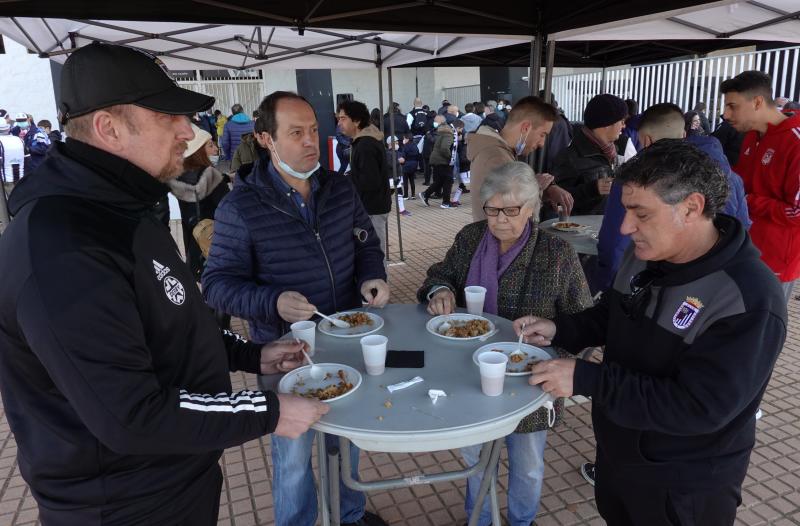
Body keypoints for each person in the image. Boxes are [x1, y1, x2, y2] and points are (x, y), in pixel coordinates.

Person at [0, 42, 329, 526]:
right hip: (121, 505)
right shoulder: (63, 247)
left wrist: (247, 354)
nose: (187, 131)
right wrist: (268, 410)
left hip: (175, 478)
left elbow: (171, 322)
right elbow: (132, 415)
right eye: (166, 116)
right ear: (108, 128)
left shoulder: (124, 209)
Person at [518, 139, 787, 526]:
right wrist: (562, 328)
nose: (626, 228)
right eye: (624, 211)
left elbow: (700, 407)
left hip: (684, 485)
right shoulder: (646, 254)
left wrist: (585, 378)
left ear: (692, 207)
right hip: (620, 456)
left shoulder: (748, 297)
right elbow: (613, 312)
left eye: (640, 213)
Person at [202, 90, 389, 526]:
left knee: (345, 439)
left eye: (313, 130)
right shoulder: (241, 206)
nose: (310, 141)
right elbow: (216, 286)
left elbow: (366, 242)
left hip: (345, 340)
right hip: (283, 349)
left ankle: (350, 513)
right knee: (292, 453)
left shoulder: (340, 188)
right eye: (296, 133)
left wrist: (372, 275)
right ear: (266, 139)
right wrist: (272, 302)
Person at [417, 161, 592, 526]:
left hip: (531, 377)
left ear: (531, 207)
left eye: (511, 210)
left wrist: (556, 353)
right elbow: (439, 274)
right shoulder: (470, 238)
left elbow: (583, 321)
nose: (499, 219)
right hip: (470, 370)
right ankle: (478, 518)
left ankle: (522, 520)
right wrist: (441, 290)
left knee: (528, 463)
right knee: (476, 460)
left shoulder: (557, 253)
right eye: (492, 209)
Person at [590, 102, 752, 297]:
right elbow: (743, 225)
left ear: (647, 140)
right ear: (683, 135)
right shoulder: (731, 177)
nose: (628, 226)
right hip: (713, 288)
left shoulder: (637, 179)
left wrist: (608, 288)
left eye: (641, 214)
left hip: (648, 287)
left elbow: (615, 243)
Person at [721, 70, 800, 304]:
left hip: (775, 260)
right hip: (744, 248)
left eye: (732, 106)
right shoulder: (751, 136)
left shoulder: (795, 141)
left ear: (757, 102)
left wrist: (746, 199)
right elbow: (741, 183)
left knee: (763, 329)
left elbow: (797, 212)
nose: (725, 114)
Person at [467, 95, 573, 221]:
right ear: (526, 128)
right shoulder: (497, 158)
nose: (542, 143)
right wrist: (536, 188)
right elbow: (512, 216)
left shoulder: (499, 151)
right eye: (542, 134)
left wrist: (546, 190)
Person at [167, 123, 230, 280]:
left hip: (195, 246)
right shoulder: (212, 176)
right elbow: (230, 211)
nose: (215, 149)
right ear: (198, 151)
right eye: (210, 145)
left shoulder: (177, 176)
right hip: (218, 246)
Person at [552, 93, 628, 215]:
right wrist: (592, 189)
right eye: (622, 121)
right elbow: (556, 203)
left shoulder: (617, 151)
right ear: (607, 123)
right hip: (581, 231)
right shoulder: (570, 157)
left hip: (608, 227)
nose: (624, 126)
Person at [337, 99, 393, 254]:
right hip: (370, 206)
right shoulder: (362, 141)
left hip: (372, 208)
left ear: (356, 121)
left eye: (343, 119)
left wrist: (344, 183)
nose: (339, 123)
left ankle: (379, 278)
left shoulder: (365, 144)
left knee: (374, 253)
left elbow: (370, 181)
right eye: (338, 119)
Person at [418, 112, 457, 208]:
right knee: (448, 180)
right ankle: (446, 202)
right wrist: (450, 158)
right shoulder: (448, 134)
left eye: (435, 121)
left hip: (437, 159)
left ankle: (426, 194)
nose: (434, 122)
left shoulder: (441, 132)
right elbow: (444, 148)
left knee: (440, 181)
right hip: (442, 160)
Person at [400, 132, 420, 200]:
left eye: (404, 138)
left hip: (406, 165)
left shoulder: (405, 147)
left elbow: (403, 157)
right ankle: (413, 195)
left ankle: (405, 195)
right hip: (414, 165)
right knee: (412, 180)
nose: (404, 140)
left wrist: (402, 163)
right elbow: (418, 155)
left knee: (405, 181)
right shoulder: (415, 146)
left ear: (407, 139)